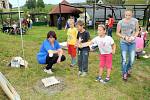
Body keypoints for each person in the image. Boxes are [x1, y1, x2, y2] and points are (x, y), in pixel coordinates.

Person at [116, 9, 139, 81]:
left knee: (131, 59)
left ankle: (128, 68)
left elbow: (137, 31)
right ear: (124, 14)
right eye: (126, 15)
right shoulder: (120, 22)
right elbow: (117, 33)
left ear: (132, 15)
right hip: (124, 42)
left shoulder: (135, 21)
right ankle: (124, 73)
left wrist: (133, 37)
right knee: (124, 59)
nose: (127, 16)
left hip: (132, 42)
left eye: (129, 15)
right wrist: (124, 37)